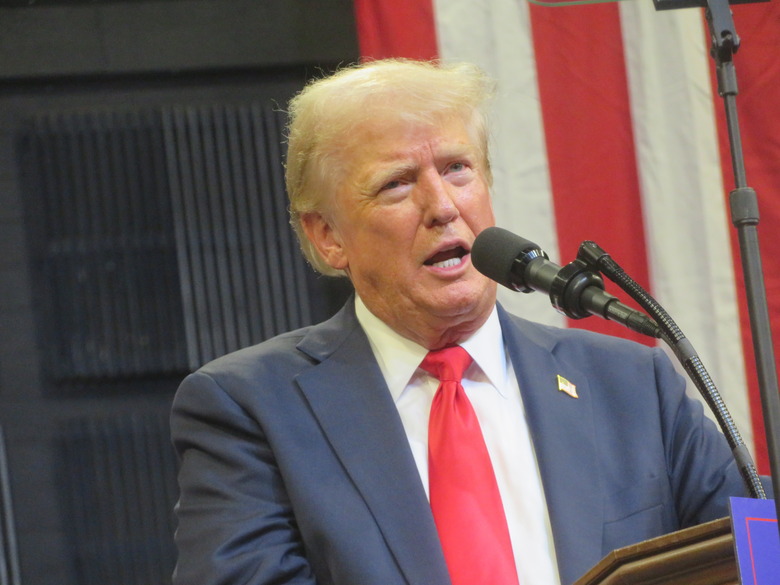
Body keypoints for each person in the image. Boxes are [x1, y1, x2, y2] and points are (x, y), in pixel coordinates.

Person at [170, 59, 751, 585]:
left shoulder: (633, 385)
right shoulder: (251, 409)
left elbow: (756, 560)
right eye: (397, 182)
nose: (443, 206)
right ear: (327, 237)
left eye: (457, 168)